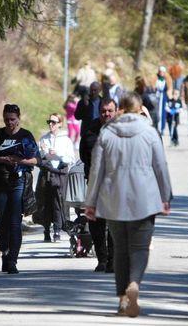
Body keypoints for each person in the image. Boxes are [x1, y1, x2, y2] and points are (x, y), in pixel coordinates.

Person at [85, 94, 172, 317]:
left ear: (121, 109)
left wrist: (91, 202)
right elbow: (160, 165)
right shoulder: (149, 132)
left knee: (121, 250)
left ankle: (123, 299)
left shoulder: (106, 134)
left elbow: (96, 170)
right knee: (140, 248)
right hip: (145, 198)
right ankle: (134, 284)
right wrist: (165, 196)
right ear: (140, 108)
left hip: (113, 198)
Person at [0, 104, 40, 274]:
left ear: (19, 118)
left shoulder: (26, 136)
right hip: (0, 181)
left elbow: (36, 160)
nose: (9, 123)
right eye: (6, 119)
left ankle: (12, 260)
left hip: (19, 182)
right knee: (2, 220)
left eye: (12, 119)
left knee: (15, 221)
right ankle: (5, 252)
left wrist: (19, 161)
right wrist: (3, 159)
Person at [79, 98, 117, 273]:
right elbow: (83, 154)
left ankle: (113, 260)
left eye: (110, 111)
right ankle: (102, 259)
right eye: (103, 111)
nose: (106, 114)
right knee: (96, 223)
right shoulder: (91, 129)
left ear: (116, 111)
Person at [38, 113, 75, 242]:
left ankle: (57, 230)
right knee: (45, 202)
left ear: (60, 124)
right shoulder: (43, 139)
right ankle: (46, 230)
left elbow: (71, 158)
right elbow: (39, 156)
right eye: (49, 121)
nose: (50, 124)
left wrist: (57, 154)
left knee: (58, 202)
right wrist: (44, 153)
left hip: (60, 174)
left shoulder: (66, 140)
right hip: (46, 173)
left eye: (53, 122)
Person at [151, 66, 173, 135]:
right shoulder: (155, 79)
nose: (161, 73)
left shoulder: (167, 80)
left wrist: (169, 97)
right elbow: (153, 87)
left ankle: (162, 128)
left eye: (163, 72)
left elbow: (169, 88)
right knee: (156, 112)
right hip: (156, 97)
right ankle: (155, 127)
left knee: (163, 113)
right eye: (160, 72)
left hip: (163, 97)